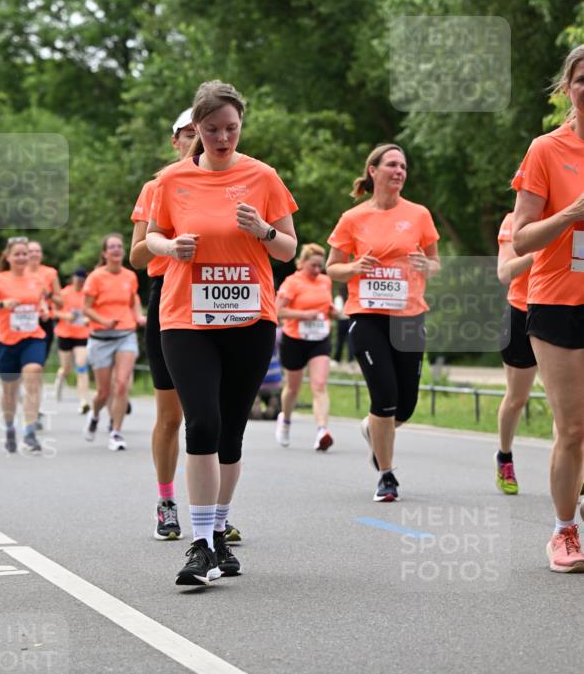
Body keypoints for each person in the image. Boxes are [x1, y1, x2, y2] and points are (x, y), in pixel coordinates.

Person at [146, 80, 297, 586]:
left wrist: (263, 231)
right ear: (198, 129)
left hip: (250, 320)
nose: (223, 138)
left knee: (231, 431)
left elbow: (288, 250)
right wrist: (170, 249)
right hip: (186, 319)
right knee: (202, 423)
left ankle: (218, 526)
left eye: (231, 128)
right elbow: (148, 239)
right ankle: (202, 543)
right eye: (212, 129)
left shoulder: (263, 176)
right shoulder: (171, 180)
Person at [326, 143, 440, 502]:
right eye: (391, 164)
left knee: (405, 406)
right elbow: (333, 266)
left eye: (403, 166)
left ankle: (372, 429)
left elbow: (435, 262)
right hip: (369, 316)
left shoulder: (419, 214)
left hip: (409, 316)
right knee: (385, 398)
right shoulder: (353, 218)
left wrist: (427, 266)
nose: (399, 171)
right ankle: (387, 476)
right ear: (373, 171)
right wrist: (354, 268)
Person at [512, 43, 584, 573]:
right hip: (559, 300)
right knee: (574, 428)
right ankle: (564, 532)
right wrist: (572, 215)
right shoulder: (546, 149)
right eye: (582, 78)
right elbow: (520, 239)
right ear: (567, 88)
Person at [129, 109, 196, 539]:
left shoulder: (234, 183)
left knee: (214, 416)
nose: (197, 141)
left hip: (215, 301)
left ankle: (215, 512)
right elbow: (138, 254)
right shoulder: (157, 187)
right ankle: (166, 502)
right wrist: (169, 248)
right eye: (189, 134)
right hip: (167, 299)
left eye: (203, 133)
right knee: (171, 416)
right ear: (175, 141)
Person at [0, 236, 48, 453]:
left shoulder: (36, 279)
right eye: (16, 254)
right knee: (9, 390)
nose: (21, 257)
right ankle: (9, 428)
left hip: (33, 336)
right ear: (7, 257)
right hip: (6, 340)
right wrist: (2, 304)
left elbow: (41, 300)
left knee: (33, 373)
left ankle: (29, 432)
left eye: (24, 254)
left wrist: (44, 310)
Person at [82, 234, 143, 451]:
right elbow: (86, 308)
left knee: (122, 384)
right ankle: (95, 413)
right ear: (104, 253)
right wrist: (104, 321)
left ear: (123, 251)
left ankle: (116, 432)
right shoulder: (96, 277)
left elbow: (133, 300)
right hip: (100, 337)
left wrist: (138, 316)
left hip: (125, 334)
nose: (116, 250)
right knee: (103, 392)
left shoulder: (130, 276)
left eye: (119, 246)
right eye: (111, 247)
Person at [275, 243, 336, 450]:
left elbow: (325, 306)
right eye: (314, 266)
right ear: (302, 263)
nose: (318, 271)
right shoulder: (291, 283)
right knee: (292, 388)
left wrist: (332, 312)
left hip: (320, 338)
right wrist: (303, 315)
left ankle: (322, 431)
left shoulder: (325, 282)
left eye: (321, 266)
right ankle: (285, 421)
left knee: (319, 385)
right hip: (294, 339)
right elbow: (277, 312)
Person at [495, 211, 537, 494]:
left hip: (566, 311)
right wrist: (539, 254)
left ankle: (574, 469)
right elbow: (504, 273)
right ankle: (505, 456)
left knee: (569, 404)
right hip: (523, 312)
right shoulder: (516, 220)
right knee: (517, 398)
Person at [53, 267, 91, 414]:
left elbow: (94, 311)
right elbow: (53, 311)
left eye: (83, 281)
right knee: (67, 368)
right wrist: (65, 316)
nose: (80, 283)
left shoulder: (88, 294)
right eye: (78, 280)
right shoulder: (64, 293)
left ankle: (83, 401)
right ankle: (60, 377)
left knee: (81, 366)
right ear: (73, 279)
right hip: (65, 334)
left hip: (82, 335)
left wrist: (88, 319)